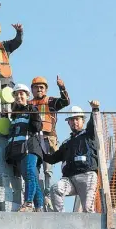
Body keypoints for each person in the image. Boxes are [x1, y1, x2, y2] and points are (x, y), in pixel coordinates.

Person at [44, 101, 100, 213]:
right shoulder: (66, 143)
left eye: (77, 119)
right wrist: (38, 151)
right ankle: (63, 220)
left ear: (83, 121)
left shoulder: (88, 134)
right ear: (68, 123)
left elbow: (93, 123)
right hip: (69, 179)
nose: (74, 122)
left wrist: (95, 109)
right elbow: (52, 159)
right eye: (71, 120)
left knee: (88, 209)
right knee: (55, 189)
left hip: (87, 175)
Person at [28, 75, 70, 211]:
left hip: (48, 137)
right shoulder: (29, 104)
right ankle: (38, 197)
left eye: (41, 87)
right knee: (35, 170)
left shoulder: (50, 102)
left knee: (48, 170)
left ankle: (47, 196)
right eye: (36, 87)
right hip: (34, 139)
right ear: (32, 90)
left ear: (45, 90)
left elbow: (66, 102)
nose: (39, 90)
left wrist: (61, 87)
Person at [5, 84, 45, 212]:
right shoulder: (16, 115)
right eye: (16, 95)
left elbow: (37, 127)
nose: (18, 97)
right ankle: (39, 207)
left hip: (30, 149)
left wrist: (33, 112)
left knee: (29, 174)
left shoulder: (31, 109)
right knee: (30, 177)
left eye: (21, 94)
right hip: (19, 151)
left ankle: (28, 204)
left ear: (27, 96)